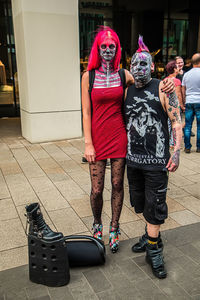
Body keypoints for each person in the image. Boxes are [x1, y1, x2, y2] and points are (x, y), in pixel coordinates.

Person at [81, 27, 173, 253]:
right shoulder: (88, 76)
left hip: (120, 136)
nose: (108, 50)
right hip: (98, 137)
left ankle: (114, 227)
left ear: (117, 49)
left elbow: (146, 83)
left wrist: (168, 84)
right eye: (104, 46)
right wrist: (88, 143)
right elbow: (85, 112)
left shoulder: (124, 75)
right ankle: (96, 224)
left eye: (112, 46)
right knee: (96, 189)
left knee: (116, 185)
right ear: (98, 48)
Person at [125, 36, 182, 278]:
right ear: (130, 68)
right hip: (132, 162)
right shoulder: (126, 90)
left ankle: (154, 251)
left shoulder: (162, 87)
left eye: (143, 64)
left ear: (152, 66)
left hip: (156, 163)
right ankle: (149, 235)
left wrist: (177, 152)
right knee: (141, 204)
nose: (139, 68)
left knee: (155, 205)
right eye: (135, 64)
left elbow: (177, 121)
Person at [182, 53, 200, 153]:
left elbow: (183, 89)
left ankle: (187, 147)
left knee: (188, 125)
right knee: (199, 126)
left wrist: (184, 101)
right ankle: (199, 147)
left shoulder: (186, 74)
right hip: (199, 101)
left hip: (189, 101)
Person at [165, 60, 184, 147]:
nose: (178, 68)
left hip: (167, 105)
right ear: (174, 69)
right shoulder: (176, 81)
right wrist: (182, 105)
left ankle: (167, 141)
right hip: (175, 105)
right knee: (176, 124)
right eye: (177, 67)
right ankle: (173, 142)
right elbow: (179, 95)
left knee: (168, 124)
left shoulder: (165, 80)